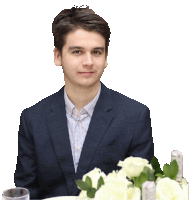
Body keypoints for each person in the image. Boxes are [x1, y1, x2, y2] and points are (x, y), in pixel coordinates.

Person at [14, 6, 154, 199]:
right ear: (57, 56)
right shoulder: (32, 119)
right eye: (77, 51)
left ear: (106, 58)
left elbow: (142, 190)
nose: (88, 61)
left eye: (96, 52)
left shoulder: (135, 116)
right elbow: (25, 192)